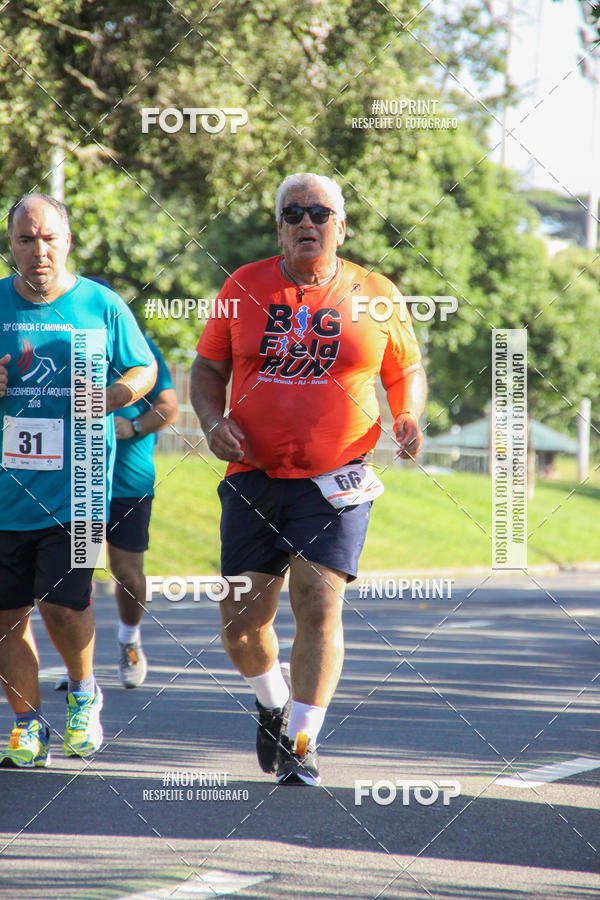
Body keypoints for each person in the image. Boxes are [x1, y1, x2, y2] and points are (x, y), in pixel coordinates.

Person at [190, 172, 426, 786]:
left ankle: (303, 738)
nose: (307, 223)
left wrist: (406, 412)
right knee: (243, 622)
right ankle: (271, 700)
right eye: (293, 213)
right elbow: (207, 367)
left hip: (336, 479)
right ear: (279, 226)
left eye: (320, 213)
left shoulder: (376, 292)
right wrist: (212, 422)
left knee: (319, 603)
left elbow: (407, 370)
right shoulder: (243, 286)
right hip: (253, 474)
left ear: (341, 225)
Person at [0, 193, 157, 768]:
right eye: (25, 238)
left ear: (67, 240)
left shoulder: (100, 303)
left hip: (79, 487)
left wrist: (115, 394)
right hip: (4, 492)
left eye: (48, 237)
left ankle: (83, 694)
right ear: (10, 245)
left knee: (63, 606)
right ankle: (26, 726)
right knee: (5, 619)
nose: (38, 249)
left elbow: (144, 369)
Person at [107, 332, 177, 687]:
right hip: (75, 479)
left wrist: (132, 426)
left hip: (128, 483)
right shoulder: (60, 348)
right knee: (74, 570)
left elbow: (167, 406)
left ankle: (129, 639)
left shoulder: (139, 348)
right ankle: (78, 664)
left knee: (128, 572)